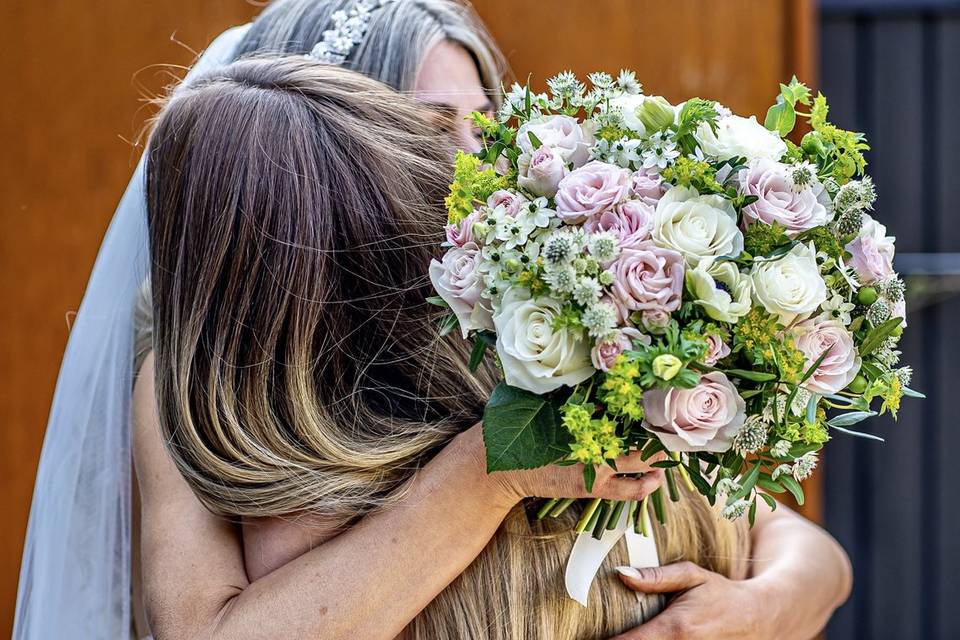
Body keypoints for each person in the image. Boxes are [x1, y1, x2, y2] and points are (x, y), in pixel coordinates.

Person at [15, 1, 852, 639]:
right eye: (424, 128)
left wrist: (768, 603)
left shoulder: (549, 295)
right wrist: (482, 478)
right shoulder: (212, 371)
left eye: (480, 121)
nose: (464, 156)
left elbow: (786, 536)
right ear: (323, 141)